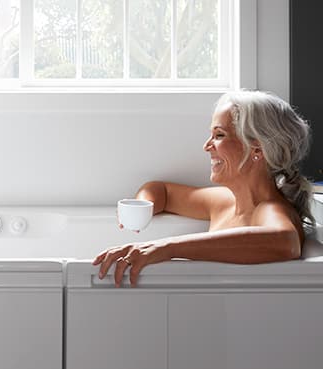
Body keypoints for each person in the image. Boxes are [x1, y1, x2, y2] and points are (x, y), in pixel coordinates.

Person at [93, 90, 313, 287]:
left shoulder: (270, 209)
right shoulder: (225, 201)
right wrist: (144, 206)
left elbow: (286, 242)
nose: (207, 146)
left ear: (256, 148)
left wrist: (166, 248)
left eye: (219, 135)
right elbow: (162, 191)